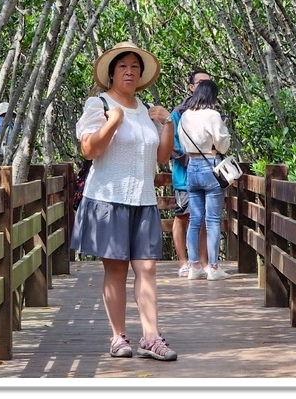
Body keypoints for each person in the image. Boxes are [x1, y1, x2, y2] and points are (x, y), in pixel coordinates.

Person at [70, 41, 179, 361]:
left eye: (135, 66)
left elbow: (161, 157)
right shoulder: (99, 104)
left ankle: (151, 336)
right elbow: (89, 150)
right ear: (112, 73)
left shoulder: (147, 111)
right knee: (116, 270)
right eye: (123, 66)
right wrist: (113, 121)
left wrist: (168, 123)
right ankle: (118, 337)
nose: (129, 71)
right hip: (108, 198)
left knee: (147, 268)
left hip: (143, 199)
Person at [178, 79, 232, 281]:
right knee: (212, 221)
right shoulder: (213, 115)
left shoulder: (185, 116)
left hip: (191, 166)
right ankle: (213, 267)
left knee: (194, 220)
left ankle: (193, 266)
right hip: (211, 165)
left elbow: (183, 145)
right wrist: (223, 129)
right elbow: (223, 145)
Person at [170, 70, 211, 277]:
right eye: (201, 82)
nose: (205, 86)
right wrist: (195, 162)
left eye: (208, 83)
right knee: (183, 217)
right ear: (191, 87)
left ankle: (203, 262)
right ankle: (184, 262)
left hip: (208, 177)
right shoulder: (178, 113)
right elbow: (172, 146)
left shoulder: (214, 112)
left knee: (204, 217)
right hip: (184, 177)